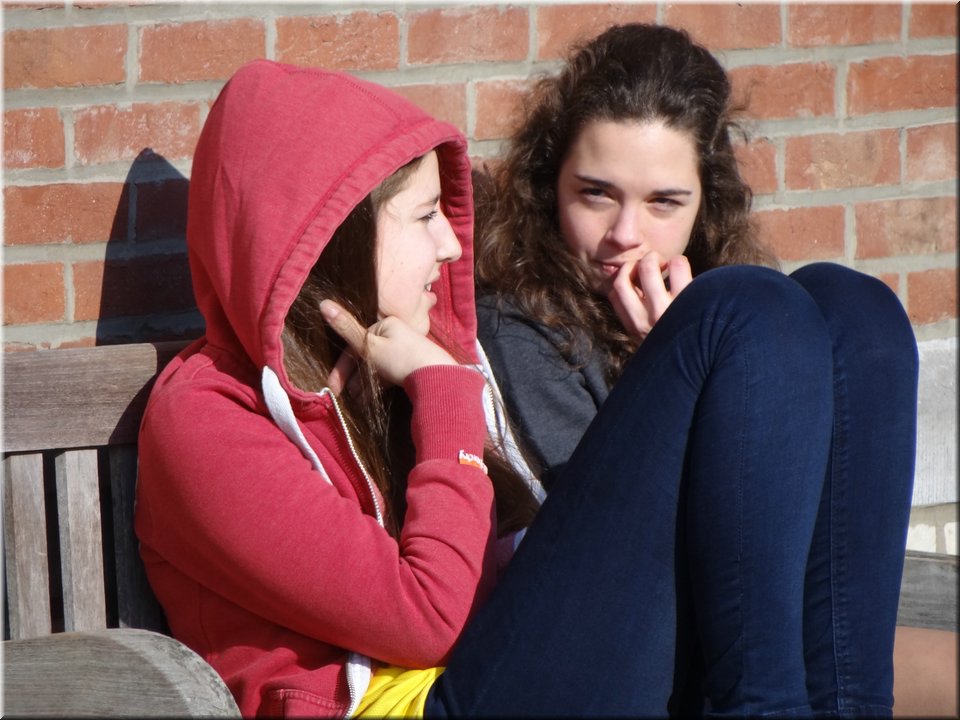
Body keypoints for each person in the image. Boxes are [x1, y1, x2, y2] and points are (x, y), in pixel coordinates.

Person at [133, 56, 919, 720]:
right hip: (422, 701)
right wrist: (446, 395)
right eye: (423, 217)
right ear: (337, 237)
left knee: (852, 310)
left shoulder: (382, 368)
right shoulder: (206, 422)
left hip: (503, 667)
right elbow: (425, 619)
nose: (450, 247)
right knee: (739, 312)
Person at [474, 21, 952, 718]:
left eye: (663, 202)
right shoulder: (514, 320)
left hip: (714, 635)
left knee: (854, 308)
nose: (624, 235)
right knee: (750, 308)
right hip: (561, 655)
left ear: (705, 207)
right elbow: (604, 547)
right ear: (550, 188)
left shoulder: (732, 309)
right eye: (596, 194)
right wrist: (671, 366)